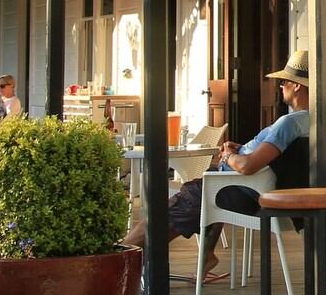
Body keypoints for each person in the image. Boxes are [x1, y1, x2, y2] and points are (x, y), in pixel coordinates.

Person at [126, 51, 310, 283]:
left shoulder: (289, 122)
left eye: (283, 82)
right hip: (239, 187)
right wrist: (242, 148)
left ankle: (118, 261)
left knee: (161, 215)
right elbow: (269, 156)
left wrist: (230, 155)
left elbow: (248, 167)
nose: (280, 86)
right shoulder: (310, 120)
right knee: (191, 197)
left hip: (236, 188)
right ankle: (205, 256)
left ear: (296, 86)